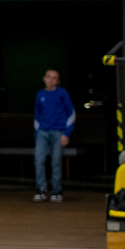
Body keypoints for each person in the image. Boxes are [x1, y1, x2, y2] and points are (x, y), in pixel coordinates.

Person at [31, 69, 75, 202]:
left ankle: (56, 191)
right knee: (39, 160)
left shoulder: (62, 93)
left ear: (58, 81)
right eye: (49, 77)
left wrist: (66, 133)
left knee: (56, 162)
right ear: (44, 78)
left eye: (54, 78)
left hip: (58, 132)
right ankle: (41, 189)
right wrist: (37, 133)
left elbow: (71, 113)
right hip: (43, 132)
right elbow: (37, 114)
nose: (50, 80)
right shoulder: (40, 94)